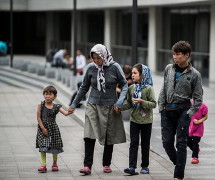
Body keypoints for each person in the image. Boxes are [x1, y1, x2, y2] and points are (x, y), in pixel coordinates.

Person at [68, 44, 128, 175]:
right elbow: (83, 88)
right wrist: (73, 104)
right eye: (94, 58)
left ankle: (106, 163)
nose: (96, 61)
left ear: (104, 55)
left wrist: (119, 101)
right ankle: (87, 166)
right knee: (89, 134)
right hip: (93, 105)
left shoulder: (115, 67)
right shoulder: (90, 68)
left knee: (108, 135)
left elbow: (124, 85)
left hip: (110, 106)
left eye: (98, 58)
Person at [158, 41, 203, 180]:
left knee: (181, 143)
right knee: (166, 142)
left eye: (178, 54)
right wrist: (161, 107)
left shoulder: (195, 74)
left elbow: (198, 99)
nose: (175, 57)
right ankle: (179, 164)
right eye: (174, 54)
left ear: (186, 55)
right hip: (167, 110)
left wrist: (189, 114)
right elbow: (164, 88)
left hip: (183, 110)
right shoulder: (168, 69)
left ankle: (178, 175)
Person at [122, 64, 156, 175]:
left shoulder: (149, 88)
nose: (132, 75)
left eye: (135, 73)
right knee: (134, 143)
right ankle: (132, 167)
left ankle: (145, 166)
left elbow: (154, 104)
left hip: (147, 121)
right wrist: (120, 107)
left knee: (145, 144)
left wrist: (142, 102)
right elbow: (129, 103)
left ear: (142, 75)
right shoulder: (131, 88)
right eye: (132, 73)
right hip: (134, 120)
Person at [36, 86, 72, 173]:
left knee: (55, 146)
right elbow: (38, 117)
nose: (47, 96)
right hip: (43, 129)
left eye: (50, 94)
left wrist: (71, 110)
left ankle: (55, 163)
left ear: (55, 96)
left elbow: (65, 113)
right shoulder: (40, 105)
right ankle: (43, 165)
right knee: (43, 146)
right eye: (46, 94)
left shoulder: (56, 106)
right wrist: (42, 128)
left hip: (53, 129)